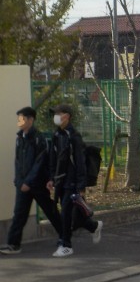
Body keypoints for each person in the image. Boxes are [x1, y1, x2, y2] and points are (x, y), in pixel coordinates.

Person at [0, 107, 63, 255]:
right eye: (18, 119)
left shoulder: (39, 138)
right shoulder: (19, 138)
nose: (19, 122)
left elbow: (39, 163)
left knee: (50, 211)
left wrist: (28, 182)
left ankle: (65, 236)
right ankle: (13, 245)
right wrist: (19, 181)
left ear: (31, 120)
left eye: (21, 119)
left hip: (38, 184)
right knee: (19, 214)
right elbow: (17, 162)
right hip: (22, 185)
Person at [50, 104, 103, 257]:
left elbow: (80, 162)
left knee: (66, 213)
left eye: (58, 113)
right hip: (61, 181)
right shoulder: (57, 135)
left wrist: (81, 186)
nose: (56, 117)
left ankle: (66, 245)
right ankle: (94, 226)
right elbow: (53, 159)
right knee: (76, 214)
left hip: (72, 182)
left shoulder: (74, 137)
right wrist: (51, 178)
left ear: (67, 116)